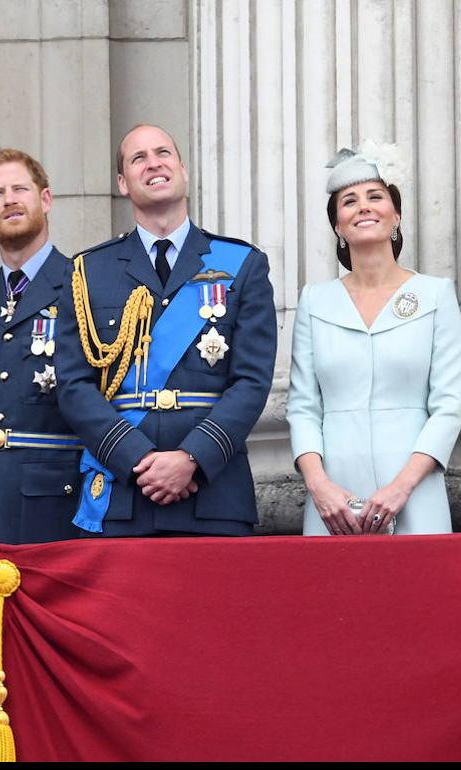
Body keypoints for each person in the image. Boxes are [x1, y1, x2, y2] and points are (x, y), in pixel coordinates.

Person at [54, 124, 276, 536]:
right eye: (138, 158)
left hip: (214, 494)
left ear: (183, 170)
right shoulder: (88, 271)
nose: (153, 163)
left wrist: (193, 457)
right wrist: (137, 459)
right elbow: (73, 385)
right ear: (123, 183)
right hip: (123, 492)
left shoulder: (242, 264)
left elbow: (252, 381)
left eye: (163, 153)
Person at [288, 142, 461, 535]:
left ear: (396, 215)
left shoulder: (435, 295)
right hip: (333, 498)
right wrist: (320, 487)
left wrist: (401, 488)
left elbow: (449, 405)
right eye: (349, 201)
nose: (363, 207)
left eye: (375, 196)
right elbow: (303, 407)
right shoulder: (315, 301)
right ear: (338, 226)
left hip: (414, 490)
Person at [0, 148, 82, 543]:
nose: (9, 200)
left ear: (45, 199)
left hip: (55, 501)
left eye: (20, 189)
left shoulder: (84, 286)